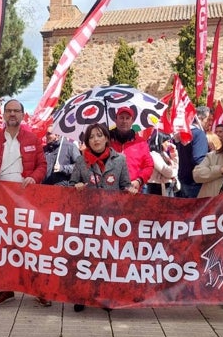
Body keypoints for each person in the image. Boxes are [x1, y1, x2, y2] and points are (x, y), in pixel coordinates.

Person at [0, 99, 48, 307]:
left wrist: (34, 178)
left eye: (16, 111)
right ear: (3, 114)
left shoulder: (33, 139)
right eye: (8, 111)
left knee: (30, 243)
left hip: (26, 198)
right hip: (0, 199)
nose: (12, 114)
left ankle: (37, 288)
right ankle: (6, 289)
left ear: (22, 114)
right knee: (4, 243)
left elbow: (42, 165)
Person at [70, 123, 132, 311]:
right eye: (91, 137)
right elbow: (72, 183)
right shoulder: (81, 161)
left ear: (106, 138)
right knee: (85, 258)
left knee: (106, 258)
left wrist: (130, 190)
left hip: (110, 218)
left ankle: (106, 296)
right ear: (87, 141)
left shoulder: (120, 160)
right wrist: (76, 187)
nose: (95, 140)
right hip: (87, 217)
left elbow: (125, 185)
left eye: (99, 135)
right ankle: (82, 296)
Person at [109, 106, 154, 194]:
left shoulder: (141, 142)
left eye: (127, 118)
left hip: (133, 192)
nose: (124, 121)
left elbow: (149, 166)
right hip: (110, 192)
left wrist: (139, 181)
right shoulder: (106, 141)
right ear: (116, 120)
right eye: (121, 118)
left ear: (132, 121)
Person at [175, 106, 210, 198]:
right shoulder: (199, 134)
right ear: (201, 118)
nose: (209, 123)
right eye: (208, 119)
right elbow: (199, 159)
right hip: (195, 182)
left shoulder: (183, 133)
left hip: (183, 178)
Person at [145, 131, 179, 196]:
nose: (169, 144)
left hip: (167, 188)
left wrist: (174, 153)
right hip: (157, 189)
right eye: (167, 141)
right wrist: (175, 172)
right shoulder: (154, 155)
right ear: (161, 142)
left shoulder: (164, 154)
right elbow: (168, 173)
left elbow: (175, 166)